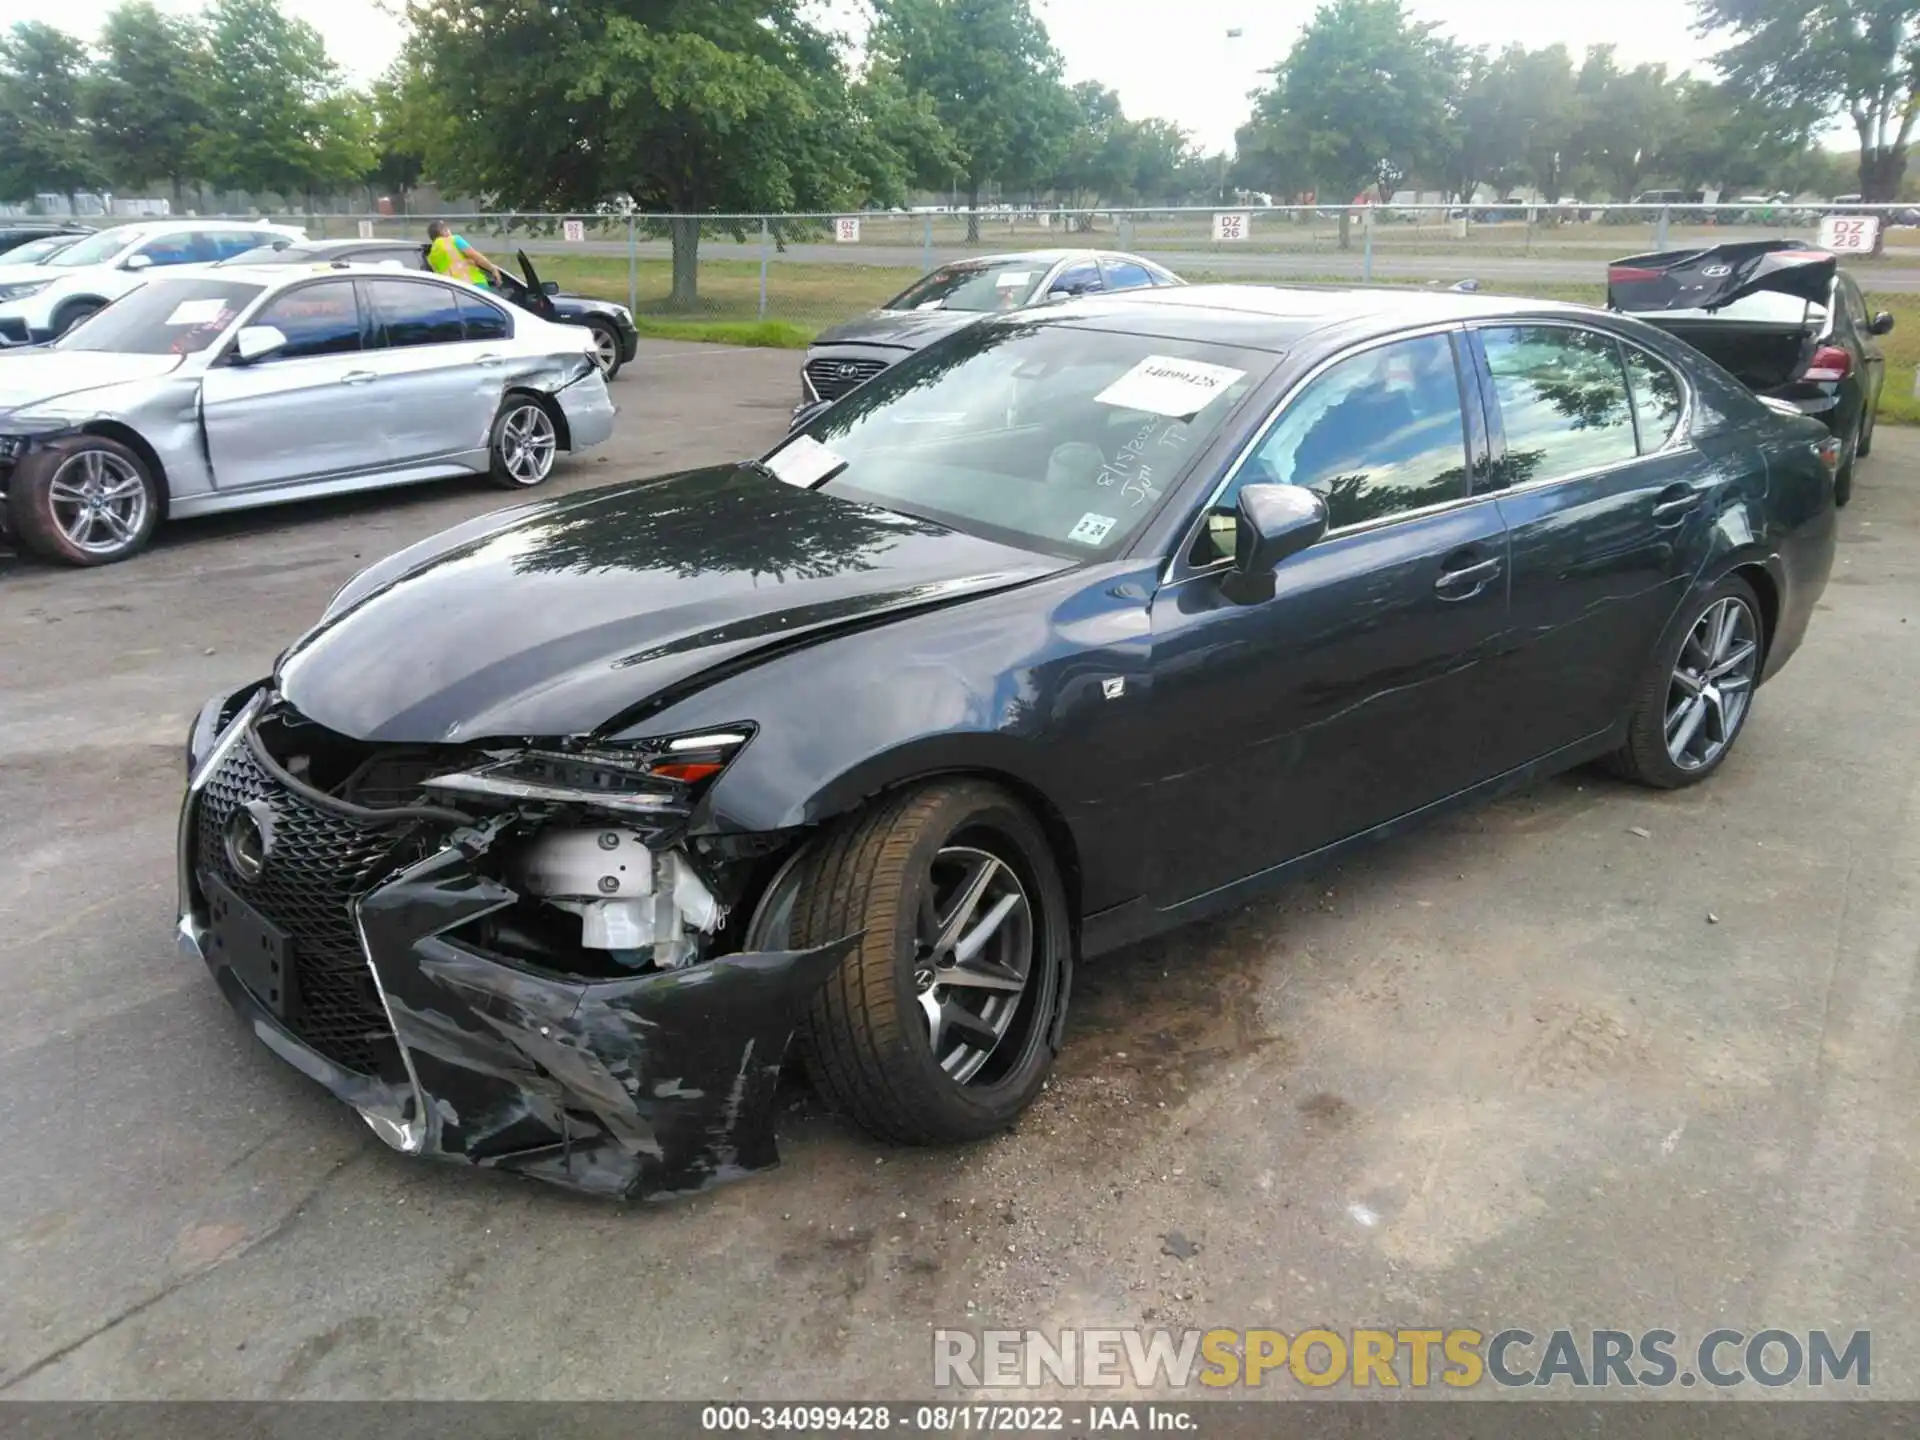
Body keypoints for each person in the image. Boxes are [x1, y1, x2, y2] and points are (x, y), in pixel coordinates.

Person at [426, 219, 504, 288]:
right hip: (475, 286)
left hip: (458, 292)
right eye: (448, 230)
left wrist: (468, 261)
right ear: (444, 231)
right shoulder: (454, 240)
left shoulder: (431, 257)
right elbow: (475, 256)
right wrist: (492, 269)